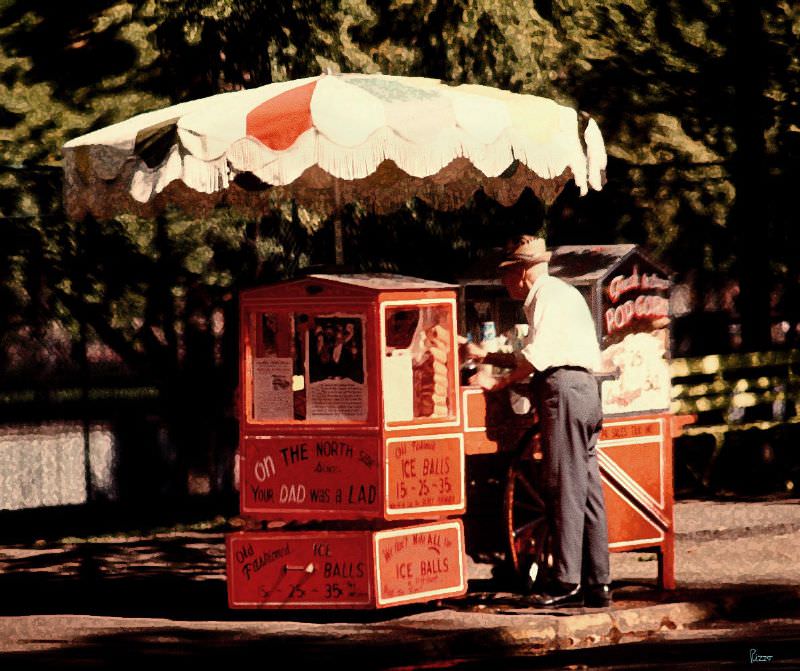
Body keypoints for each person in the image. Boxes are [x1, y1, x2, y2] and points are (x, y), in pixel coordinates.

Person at [461, 235, 611, 608]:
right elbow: (537, 353)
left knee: (563, 486)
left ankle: (565, 581)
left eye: (508, 275)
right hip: (585, 391)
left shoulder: (544, 297)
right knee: (588, 489)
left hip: (563, 392)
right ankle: (598, 582)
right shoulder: (562, 293)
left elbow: (539, 355)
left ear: (523, 272)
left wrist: (498, 381)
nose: (505, 283)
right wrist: (491, 356)